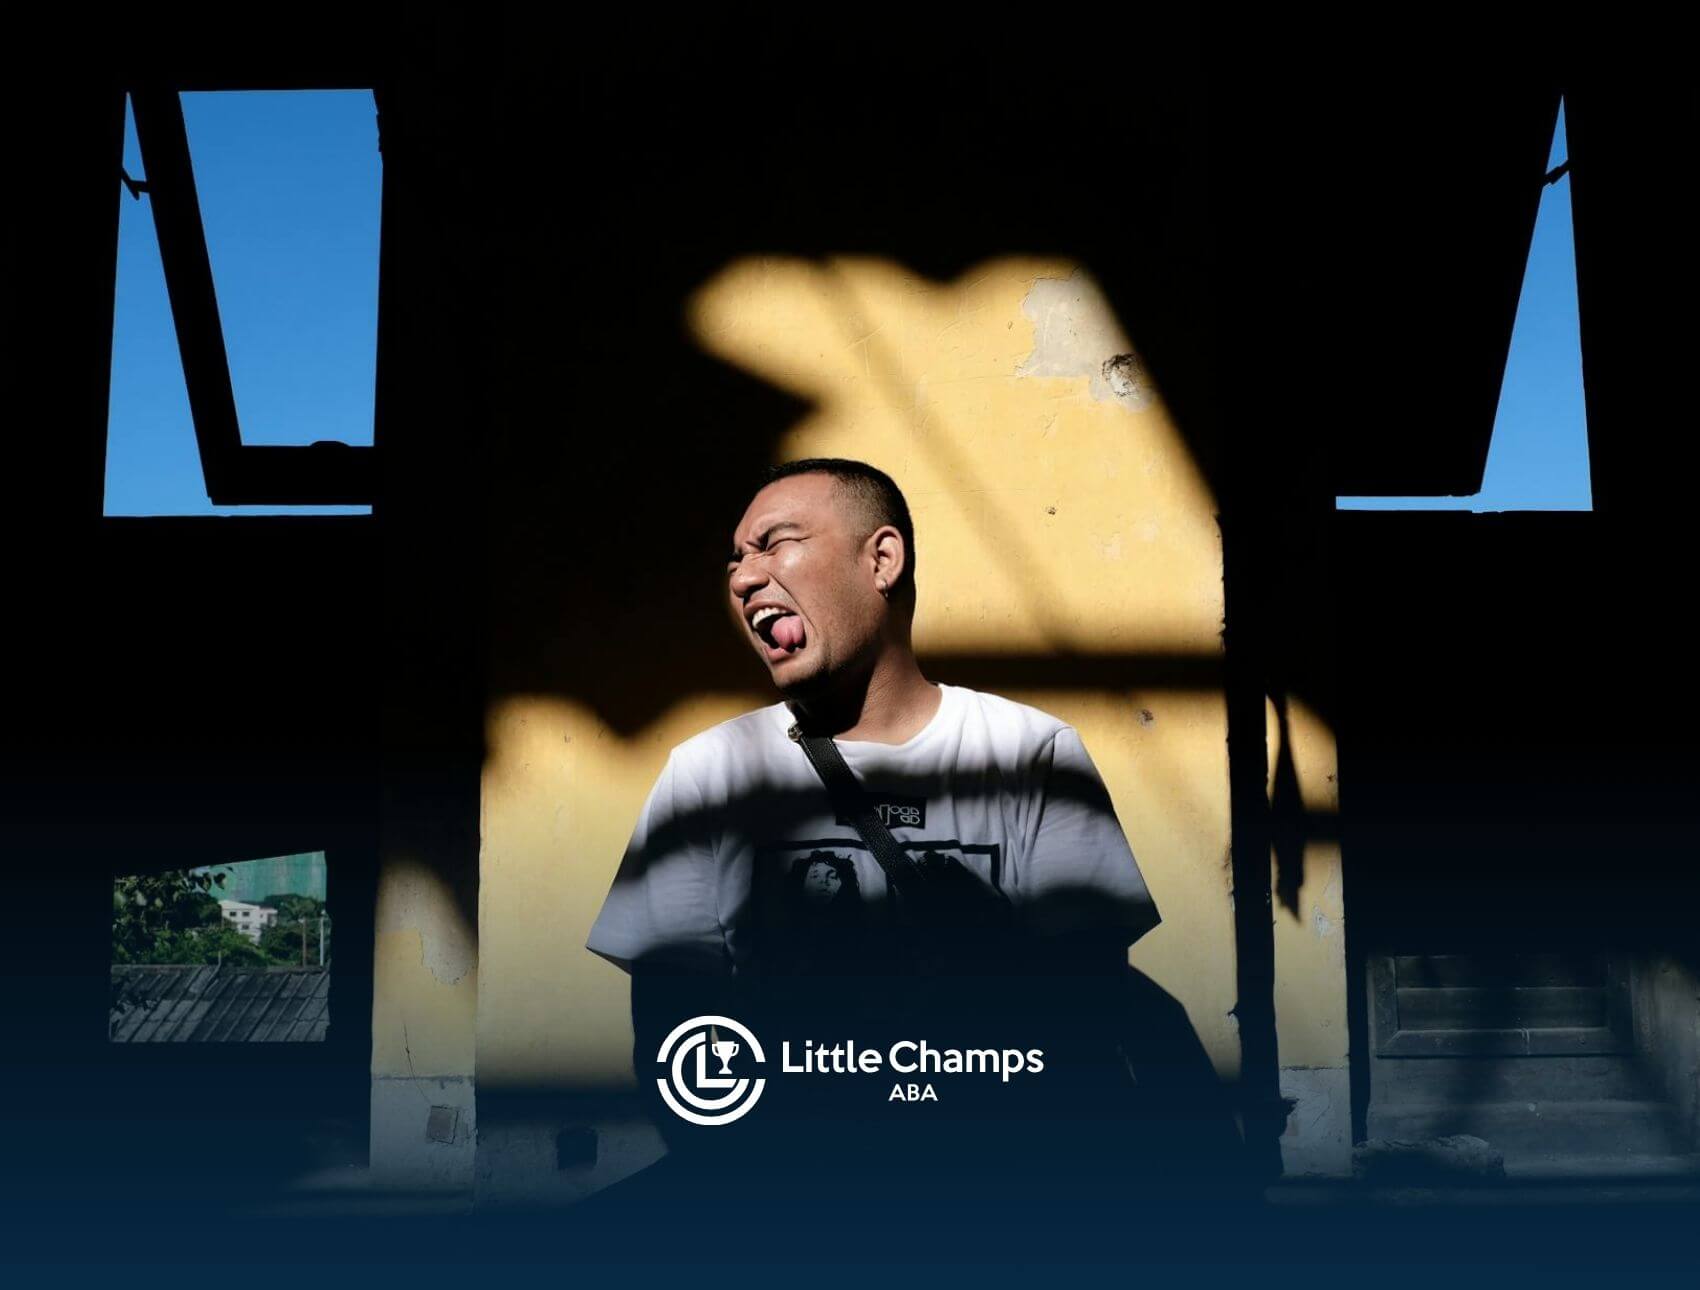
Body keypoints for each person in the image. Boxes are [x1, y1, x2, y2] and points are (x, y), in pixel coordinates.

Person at [581, 458, 1168, 1248]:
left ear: (881, 560)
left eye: (773, 544)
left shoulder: (1032, 753)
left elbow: (1084, 1016)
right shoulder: (708, 772)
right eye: (734, 559)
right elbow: (676, 1040)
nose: (745, 578)